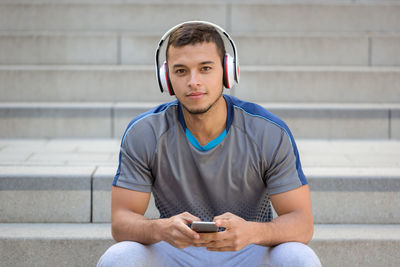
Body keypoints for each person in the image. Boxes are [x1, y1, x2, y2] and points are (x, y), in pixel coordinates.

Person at [98, 21, 321, 267]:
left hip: (249, 248)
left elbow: (302, 223)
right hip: (177, 250)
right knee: (119, 257)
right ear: (166, 78)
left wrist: (252, 232)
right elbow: (121, 223)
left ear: (227, 72)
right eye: (181, 71)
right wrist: (161, 229)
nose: (193, 81)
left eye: (205, 68)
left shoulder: (268, 132)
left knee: (299, 258)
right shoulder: (144, 133)